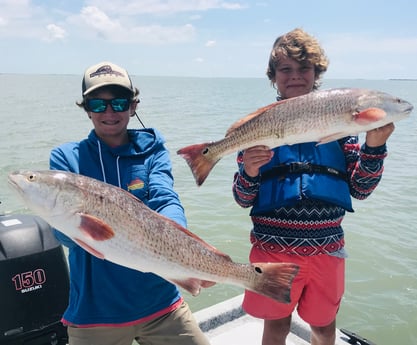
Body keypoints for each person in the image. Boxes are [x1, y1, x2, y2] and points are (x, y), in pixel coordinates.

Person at [232, 28, 395, 345]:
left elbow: (360, 189)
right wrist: (249, 171)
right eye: (285, 69)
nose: (295, 76)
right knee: (276, 324)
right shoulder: (258, 126)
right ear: (274, 76)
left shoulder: (344, 123)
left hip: (327, 249)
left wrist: (374, 147)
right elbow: (242, 197)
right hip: (273, 248)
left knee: (323, 326)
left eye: (304, 68)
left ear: (316, 73)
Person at [50, 61, 210, 345]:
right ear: (87, 109)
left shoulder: (153, 150)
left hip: (162, 305)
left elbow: (165, 198)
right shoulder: (66, 160)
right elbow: (64, 235)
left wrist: (186, 249)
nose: (110, 112)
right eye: (98, 104)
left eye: (119, 103)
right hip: (95, 313)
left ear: (133, 106)